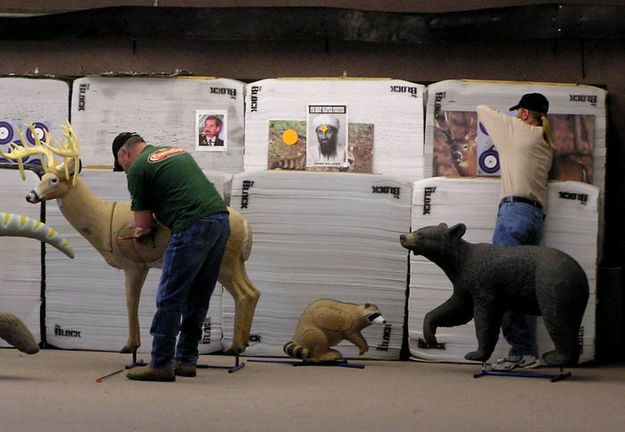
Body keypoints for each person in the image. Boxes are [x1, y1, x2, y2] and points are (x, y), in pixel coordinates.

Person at [112, 132, 230, 382]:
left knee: (170, 295)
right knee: (198, 295)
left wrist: (141, 228)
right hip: (220, 220)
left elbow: (142, 221)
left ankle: (161, 363)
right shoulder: (174, 151)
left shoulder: (137, 168)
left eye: (121, 165)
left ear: (126, 154)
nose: (123, 171)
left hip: (191, 225)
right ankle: (186, 360)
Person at [476, 93, 554, 371]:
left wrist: (511, 118)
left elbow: (482, 108)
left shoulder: (517, 130)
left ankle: (520, 351)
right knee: (523, 289)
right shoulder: (544, 141)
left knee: (504, 286)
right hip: (535, 216)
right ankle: (527, 351)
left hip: (513, 214)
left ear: (523, 114)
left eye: (518, 111)